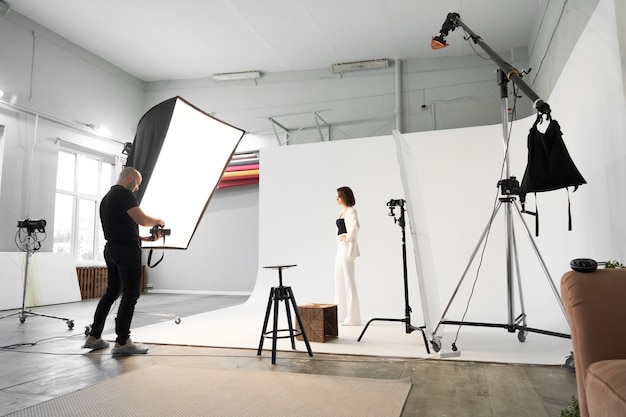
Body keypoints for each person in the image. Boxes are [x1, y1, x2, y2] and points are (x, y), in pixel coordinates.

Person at [82, 166, 165, 355]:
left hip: (112, 249)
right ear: (129, 178)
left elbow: (121, 228)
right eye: (137, 184)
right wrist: (159, 220)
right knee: (130, 294)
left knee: (111, 293)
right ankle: (122, 341)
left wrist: (145, 239)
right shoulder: (124, 194)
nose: (136, 189)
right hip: (126, 251)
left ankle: (94, 336)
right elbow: (143, 220)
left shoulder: (106, 198)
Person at [334, 186, 361, 326]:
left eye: (339, 196)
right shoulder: (342, 211)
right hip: (340, 248)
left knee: (349, 282)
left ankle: (353, 317)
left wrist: (347, 237)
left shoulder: (351, 211)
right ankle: (340, 314)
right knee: (338, 279)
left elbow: (355, 227)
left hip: (346, 248)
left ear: (344, 197)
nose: (336, 199)